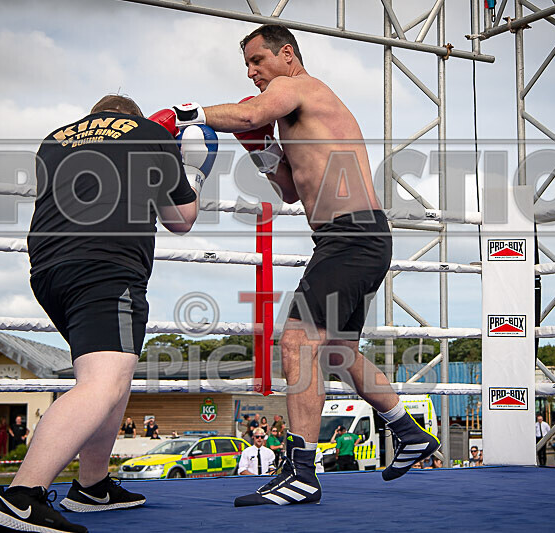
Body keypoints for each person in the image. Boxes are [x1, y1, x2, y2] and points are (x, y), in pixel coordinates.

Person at [172, 23, 439, 507]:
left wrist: (184, 116)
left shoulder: (296, 87)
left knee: (297, 339)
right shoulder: (296, 114)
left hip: (351, 237)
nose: (253, 73)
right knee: (335, 351)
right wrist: (261, 150)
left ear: (287, 55)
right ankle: (409, 432)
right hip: (349, 238)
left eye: (258, 61)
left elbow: (250, 111)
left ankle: (301, 474)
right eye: (248, 66)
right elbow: (291, 192)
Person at [0, 94, 210, 533]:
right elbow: (180, 218)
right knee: (103, 383)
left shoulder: (54, 139)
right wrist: (194, 170)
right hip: (106, 268)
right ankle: (21, 497)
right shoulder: (151, 134)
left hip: (48, 273)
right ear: (133, 118)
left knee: (113, 374)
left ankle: (93, 486)